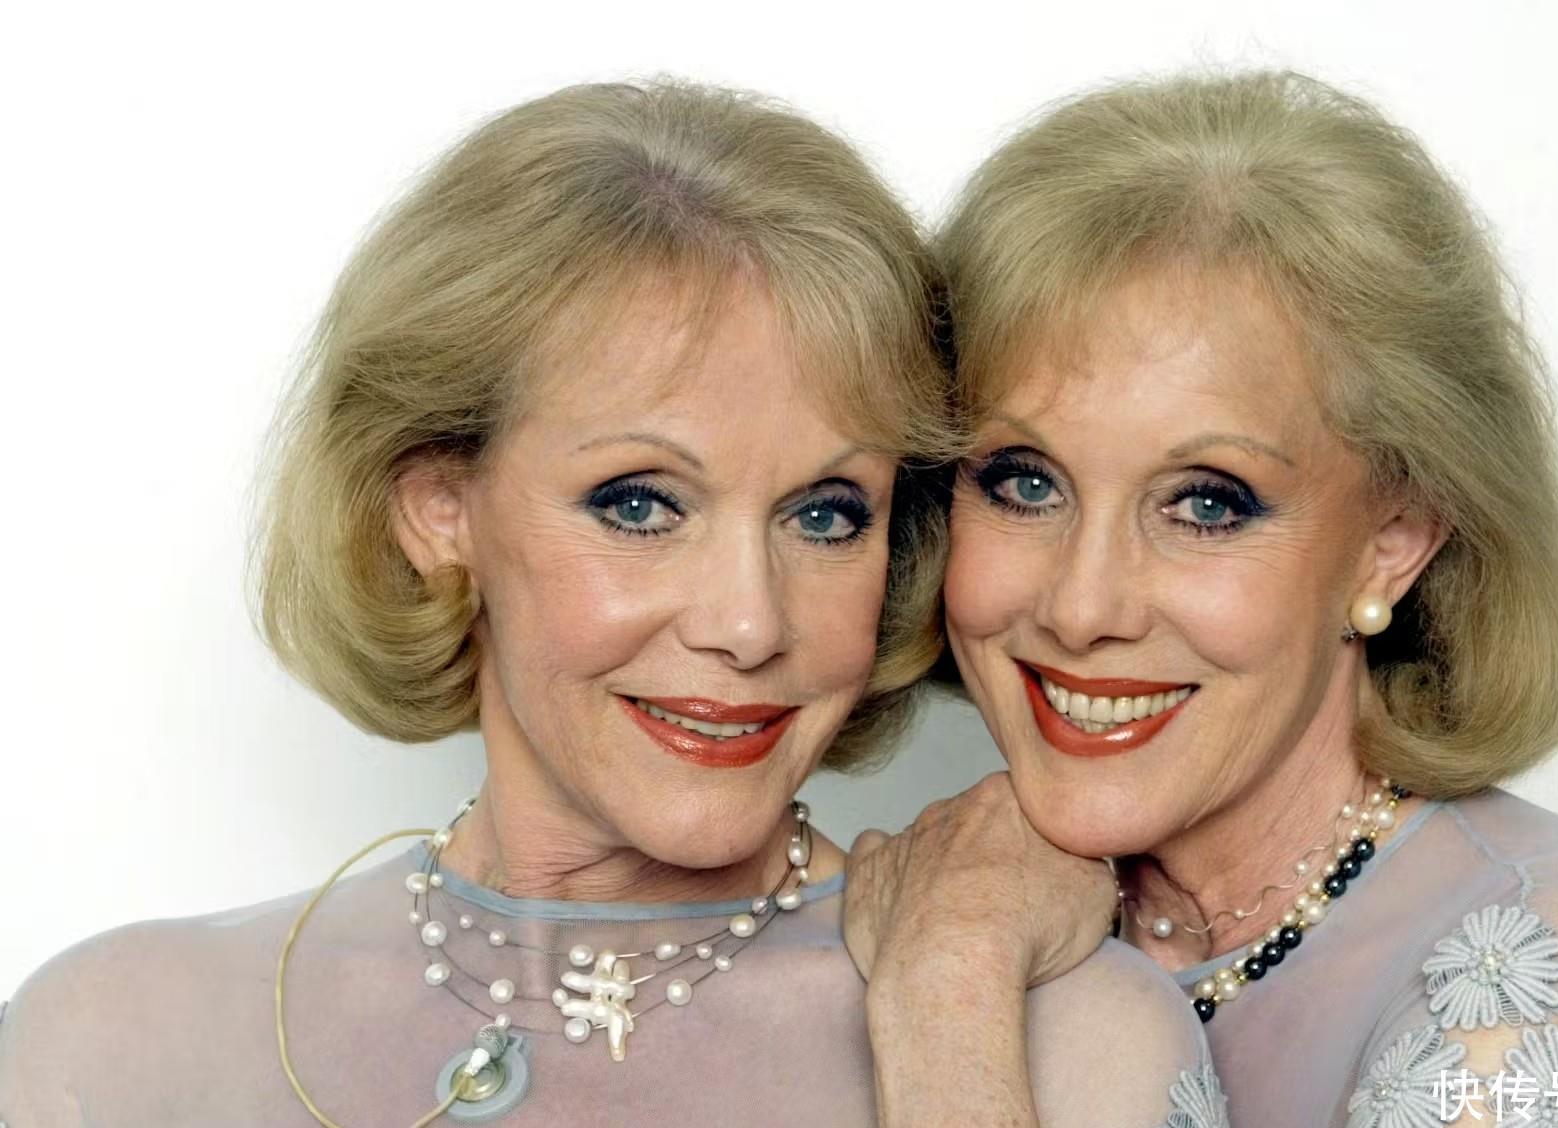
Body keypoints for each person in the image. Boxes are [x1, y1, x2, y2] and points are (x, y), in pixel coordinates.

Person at [0, 80, 1214, 1127]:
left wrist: (944, 1005)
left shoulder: (1062, 1037)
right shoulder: (114, 1044)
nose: (748, 625)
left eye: (823, 515)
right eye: (640, 505)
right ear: (438, 507)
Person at [846, 70, 1558, 1127]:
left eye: (1205, 504)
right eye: (1024, 483)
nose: (1081, 606)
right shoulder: (969, 904)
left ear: (1390, 547)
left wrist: (948, 982)